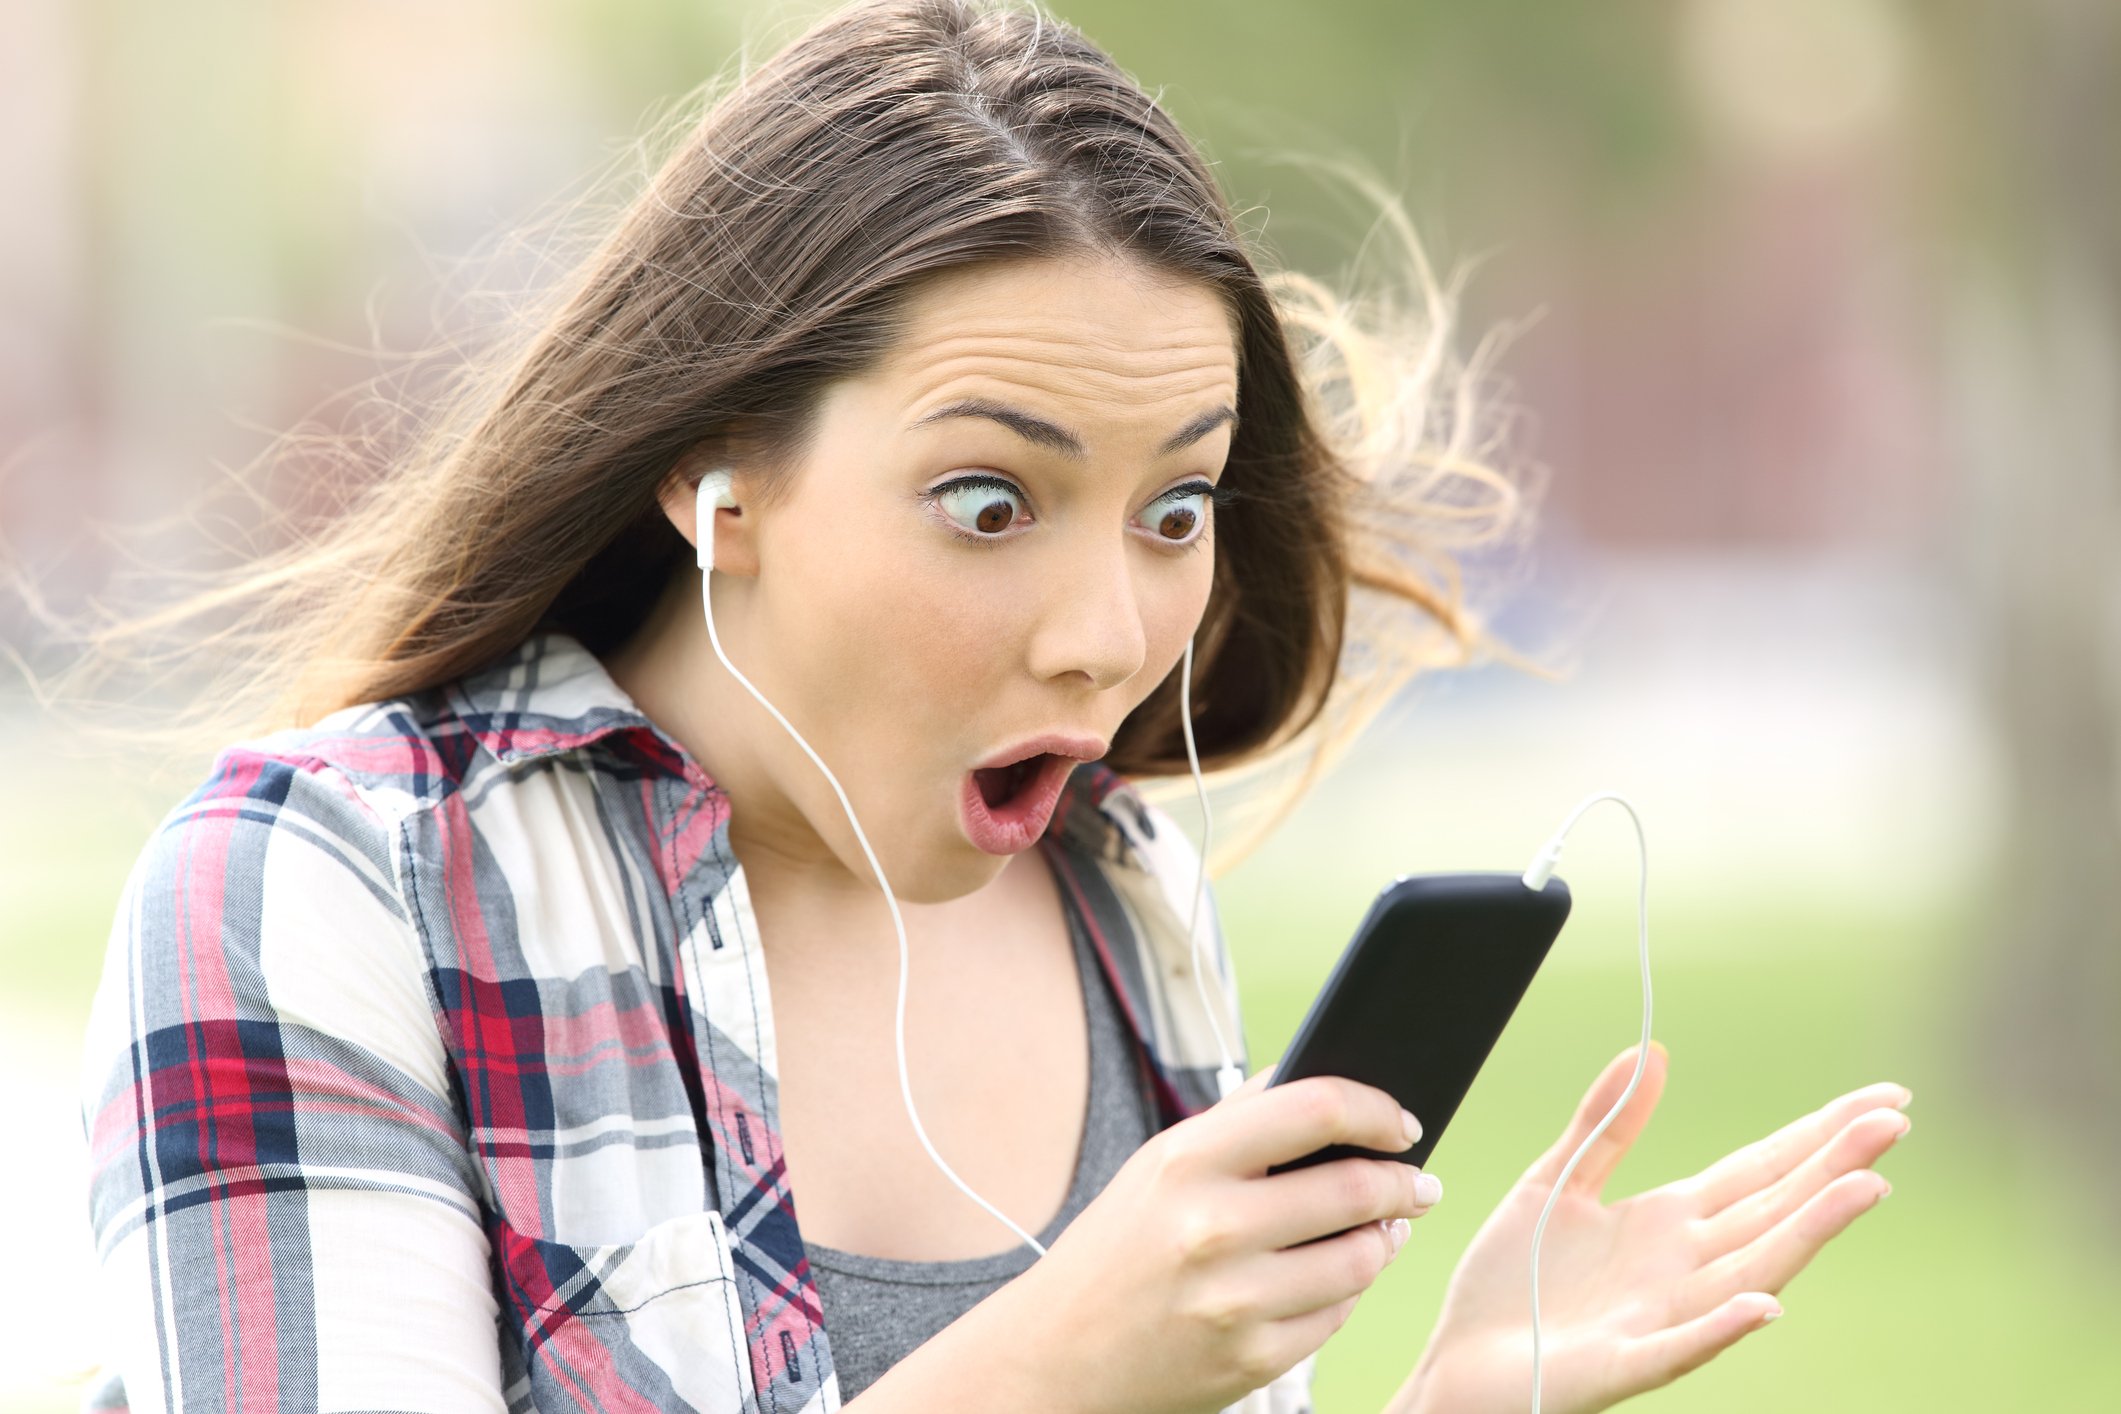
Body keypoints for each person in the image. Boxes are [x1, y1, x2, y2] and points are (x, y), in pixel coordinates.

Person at [70, 1, 1911, 1410]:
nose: (1108, 635)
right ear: (719, 474)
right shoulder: (323, 891)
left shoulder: (1118, 899)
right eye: (988, 503)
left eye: (1173, 509)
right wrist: (1052, 1360)